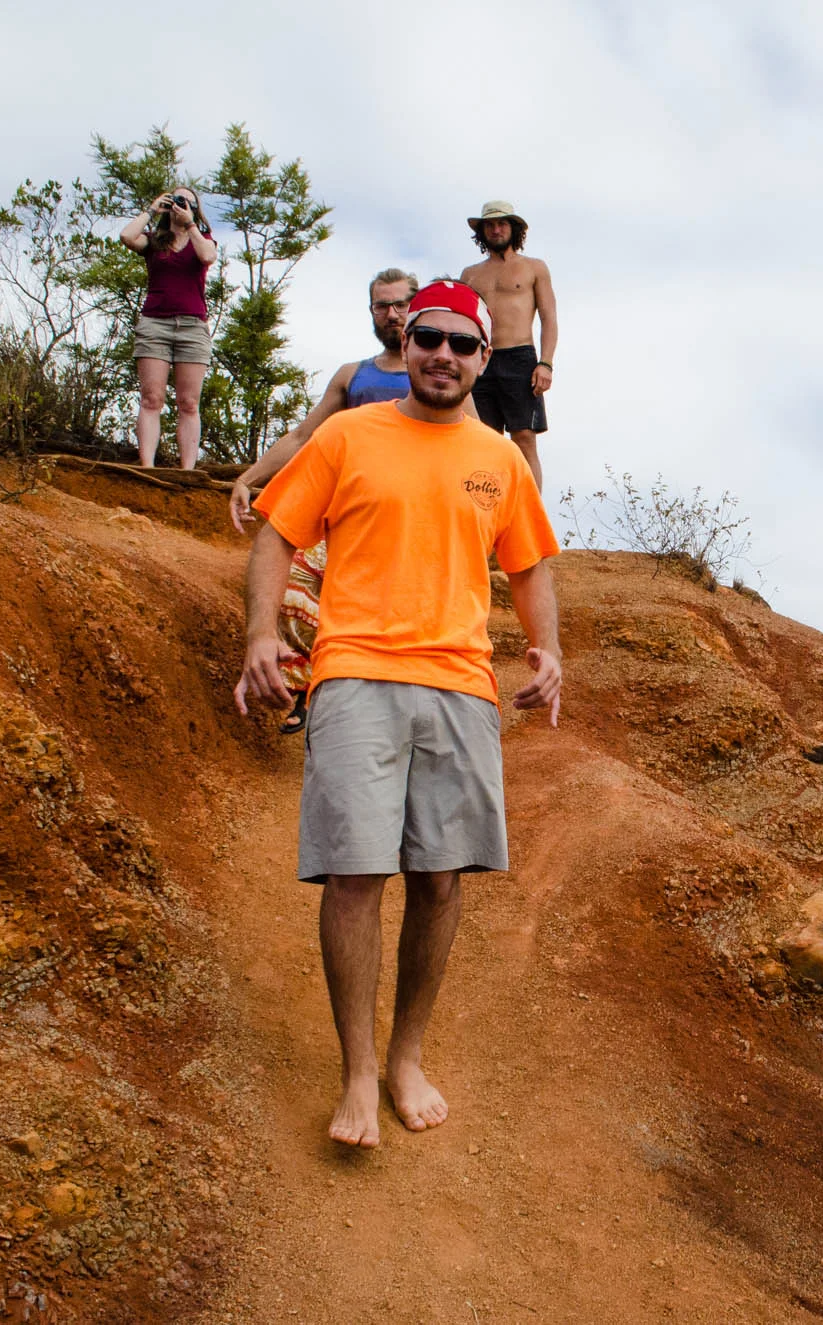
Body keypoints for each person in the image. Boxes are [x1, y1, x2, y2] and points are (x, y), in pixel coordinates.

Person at [233, 279, 563, 1149]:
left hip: (461, 685)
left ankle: (406, 1054)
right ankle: (356, 1071)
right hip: (353, 674)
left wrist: (547, 648)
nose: (444, 357)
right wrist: (261, 636)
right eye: (430, 339)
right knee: (353, 875)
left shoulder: (501, 458)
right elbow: (277, 533)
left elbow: (528, 568)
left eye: (462, 345)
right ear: (405, 344)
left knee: (441, 876)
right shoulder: (347, 435)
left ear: (485, 359)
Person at [228, 267, 433, 735]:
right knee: (289, 586)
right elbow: (304, 435)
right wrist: (249, 477)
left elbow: (474, 442)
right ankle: (314, 681)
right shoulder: (353, 375)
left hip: (410, 525)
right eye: (382, 305)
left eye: (401, 304)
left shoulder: (440, 376)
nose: (392, 314)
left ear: (416, 306)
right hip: (339, 516)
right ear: (371, 312)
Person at [118, 187, 218, 469]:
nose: (180, 204)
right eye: (176, 199)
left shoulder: (204, 239)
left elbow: (208, 256)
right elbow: (127, 237)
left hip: (192, 327)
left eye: (187, 201)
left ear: (196, 209)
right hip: (155, 324)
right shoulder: (154, 242)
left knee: (188, 402)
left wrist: (190, 223)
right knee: (151, 398)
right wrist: (151, 210)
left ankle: (187, 471)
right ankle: (147, 466)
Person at [460, 201, 557, 486]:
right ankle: (492, 511)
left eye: (502, 223)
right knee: (484, 439)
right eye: (490, 224)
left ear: (513, 229)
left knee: (524, 438)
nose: (496, 229)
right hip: (481, 359)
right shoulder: (470, 275)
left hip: (520, 357)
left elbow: (549, 318)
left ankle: (531, 518)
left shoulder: (533, 268)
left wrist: (546, 363)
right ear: (482, 231)